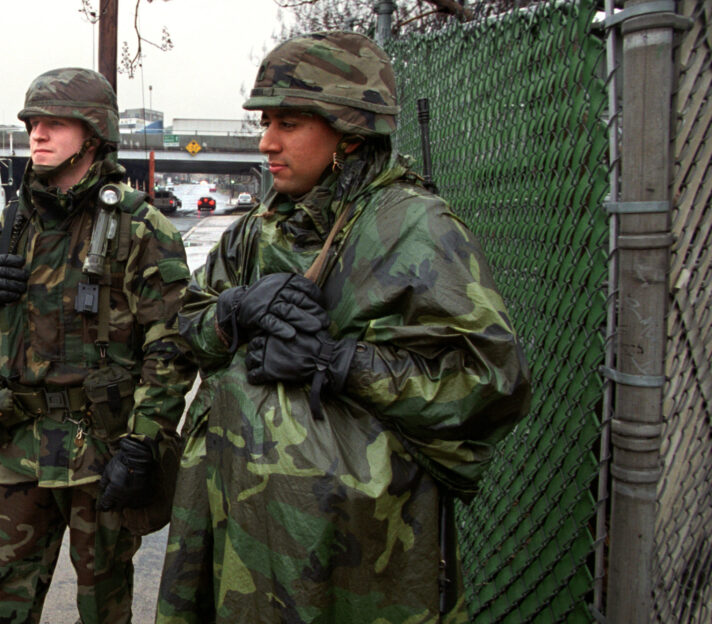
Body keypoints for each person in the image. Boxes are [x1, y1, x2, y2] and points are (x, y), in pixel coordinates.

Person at [154, 32, 532, 623]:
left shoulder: (415, 229)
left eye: (288, 123)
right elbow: (184, 327)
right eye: (265, 121)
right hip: (236, 532)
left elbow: (490, 383)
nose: (266, 142)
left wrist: (340, 363)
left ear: (349, 133)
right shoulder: (259, 227)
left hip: (352, 555)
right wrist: (235, 312)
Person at [0, 67, 196, 624]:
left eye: (55, 124)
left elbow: (171, 346)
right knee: (6, 597)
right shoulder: (13, 224)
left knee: (104, 601)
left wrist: (146, 441)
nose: (38, 134)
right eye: (34, 123)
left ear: (92, 136)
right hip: (21, 448)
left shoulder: (140, 227)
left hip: (102, 448)